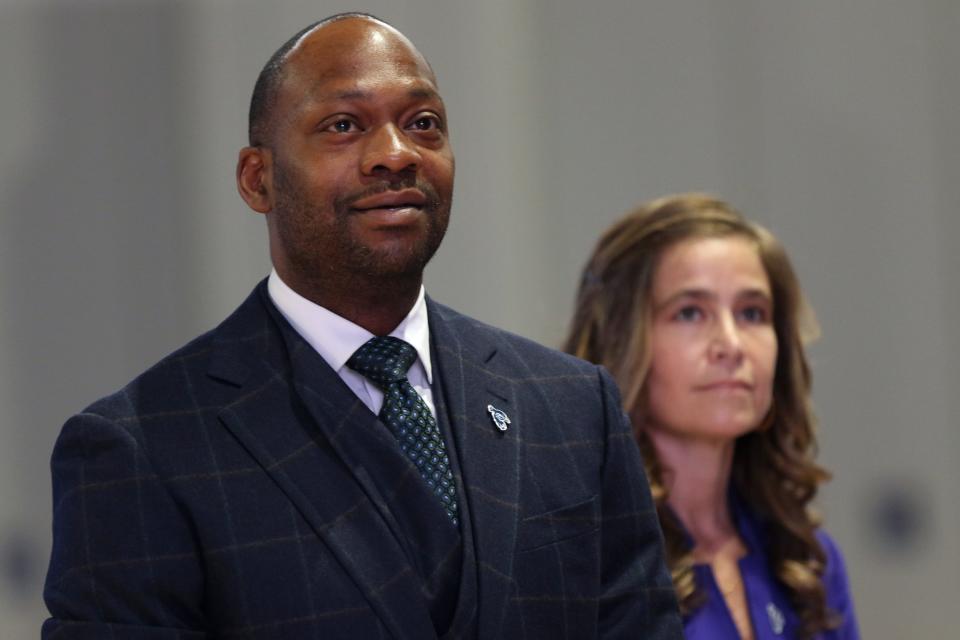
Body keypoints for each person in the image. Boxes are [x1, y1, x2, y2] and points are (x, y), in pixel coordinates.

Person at [42, 13, 682, 640]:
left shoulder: (572, 408)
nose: (395, 155)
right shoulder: (141, 447)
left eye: (422, 123)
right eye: (344, 126)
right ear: (257, 178)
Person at [564, 194, 860, 639]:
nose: (731, 344)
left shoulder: (808, 561)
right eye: (690, 313)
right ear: (620, 339)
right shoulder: (579, 557)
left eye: (752, 313)